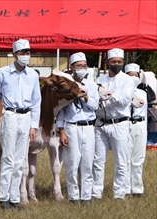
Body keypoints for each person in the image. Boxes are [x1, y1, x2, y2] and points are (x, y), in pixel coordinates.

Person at [0, 39, 41, 210]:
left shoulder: (33, 75)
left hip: (26, 115)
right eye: (22, 52)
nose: (25, 56)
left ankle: (15, 198)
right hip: (10, 114)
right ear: (14, 54)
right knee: (8, 157)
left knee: (21, 159)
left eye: (27, 52)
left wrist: (33, 126)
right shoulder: (3, 72)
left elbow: (36, 101)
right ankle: (4, 197)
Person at [92, 48, 136, 200]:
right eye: (113, 62)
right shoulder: (100, 79)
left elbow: (124, 101)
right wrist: (107, 96)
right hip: (101, 123)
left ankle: (119, 193)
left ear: (123, 62)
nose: (116, 64)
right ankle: (96, 192)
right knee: (98, 161)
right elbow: (96, 99)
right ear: (107, 63)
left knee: (121, 161)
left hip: (120, 124)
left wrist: (107, 95)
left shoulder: (128, 80)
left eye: (119, 62)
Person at [57, 52, 99, 204]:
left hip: (88, 126)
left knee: (87, 162)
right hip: (72, 127)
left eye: (84, 66)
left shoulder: (92, 85)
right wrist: (61, 131)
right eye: (79, 66)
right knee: (72, 162)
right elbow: (61, 110)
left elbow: (94, 106)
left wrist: (85, 95)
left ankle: (86, 196)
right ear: (72, 67)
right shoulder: (66, 86)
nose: (82, 68)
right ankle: (73, 196)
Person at [125, 63, 147, 196]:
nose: (133, 77)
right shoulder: (123, 92)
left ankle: (137, 189)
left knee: (138, 158)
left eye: (135, 75)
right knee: (126, 158)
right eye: (130, 75)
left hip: (140, 125)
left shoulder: (143, 93)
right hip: (127, 124)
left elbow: (145, 112)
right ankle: (126, 188)